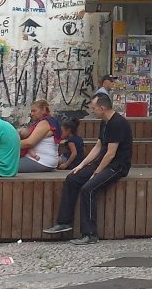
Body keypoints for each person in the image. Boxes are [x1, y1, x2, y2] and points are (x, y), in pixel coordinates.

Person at [43, 93, 132, 244]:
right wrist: (81, 165)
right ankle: (64, 222)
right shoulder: (104, 122)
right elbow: (98, 146)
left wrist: (96, 173)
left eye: (94, 108)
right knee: (72, 178)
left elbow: (111, 154)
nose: (92, 111)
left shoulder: (118, 123)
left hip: (117, 166)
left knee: (88, 189)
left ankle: (90, 234)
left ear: (102, 108)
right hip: (103, 163)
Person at [17, 99, 63, 172]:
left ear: (44, 110)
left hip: (41, 161)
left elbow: (29, 143)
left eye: (34, 111)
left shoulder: (44, 123)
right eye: (31, 111)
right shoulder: (50, 121)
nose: (32, 114)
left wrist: (9, 144)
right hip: (46, 161)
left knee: (4, 167)